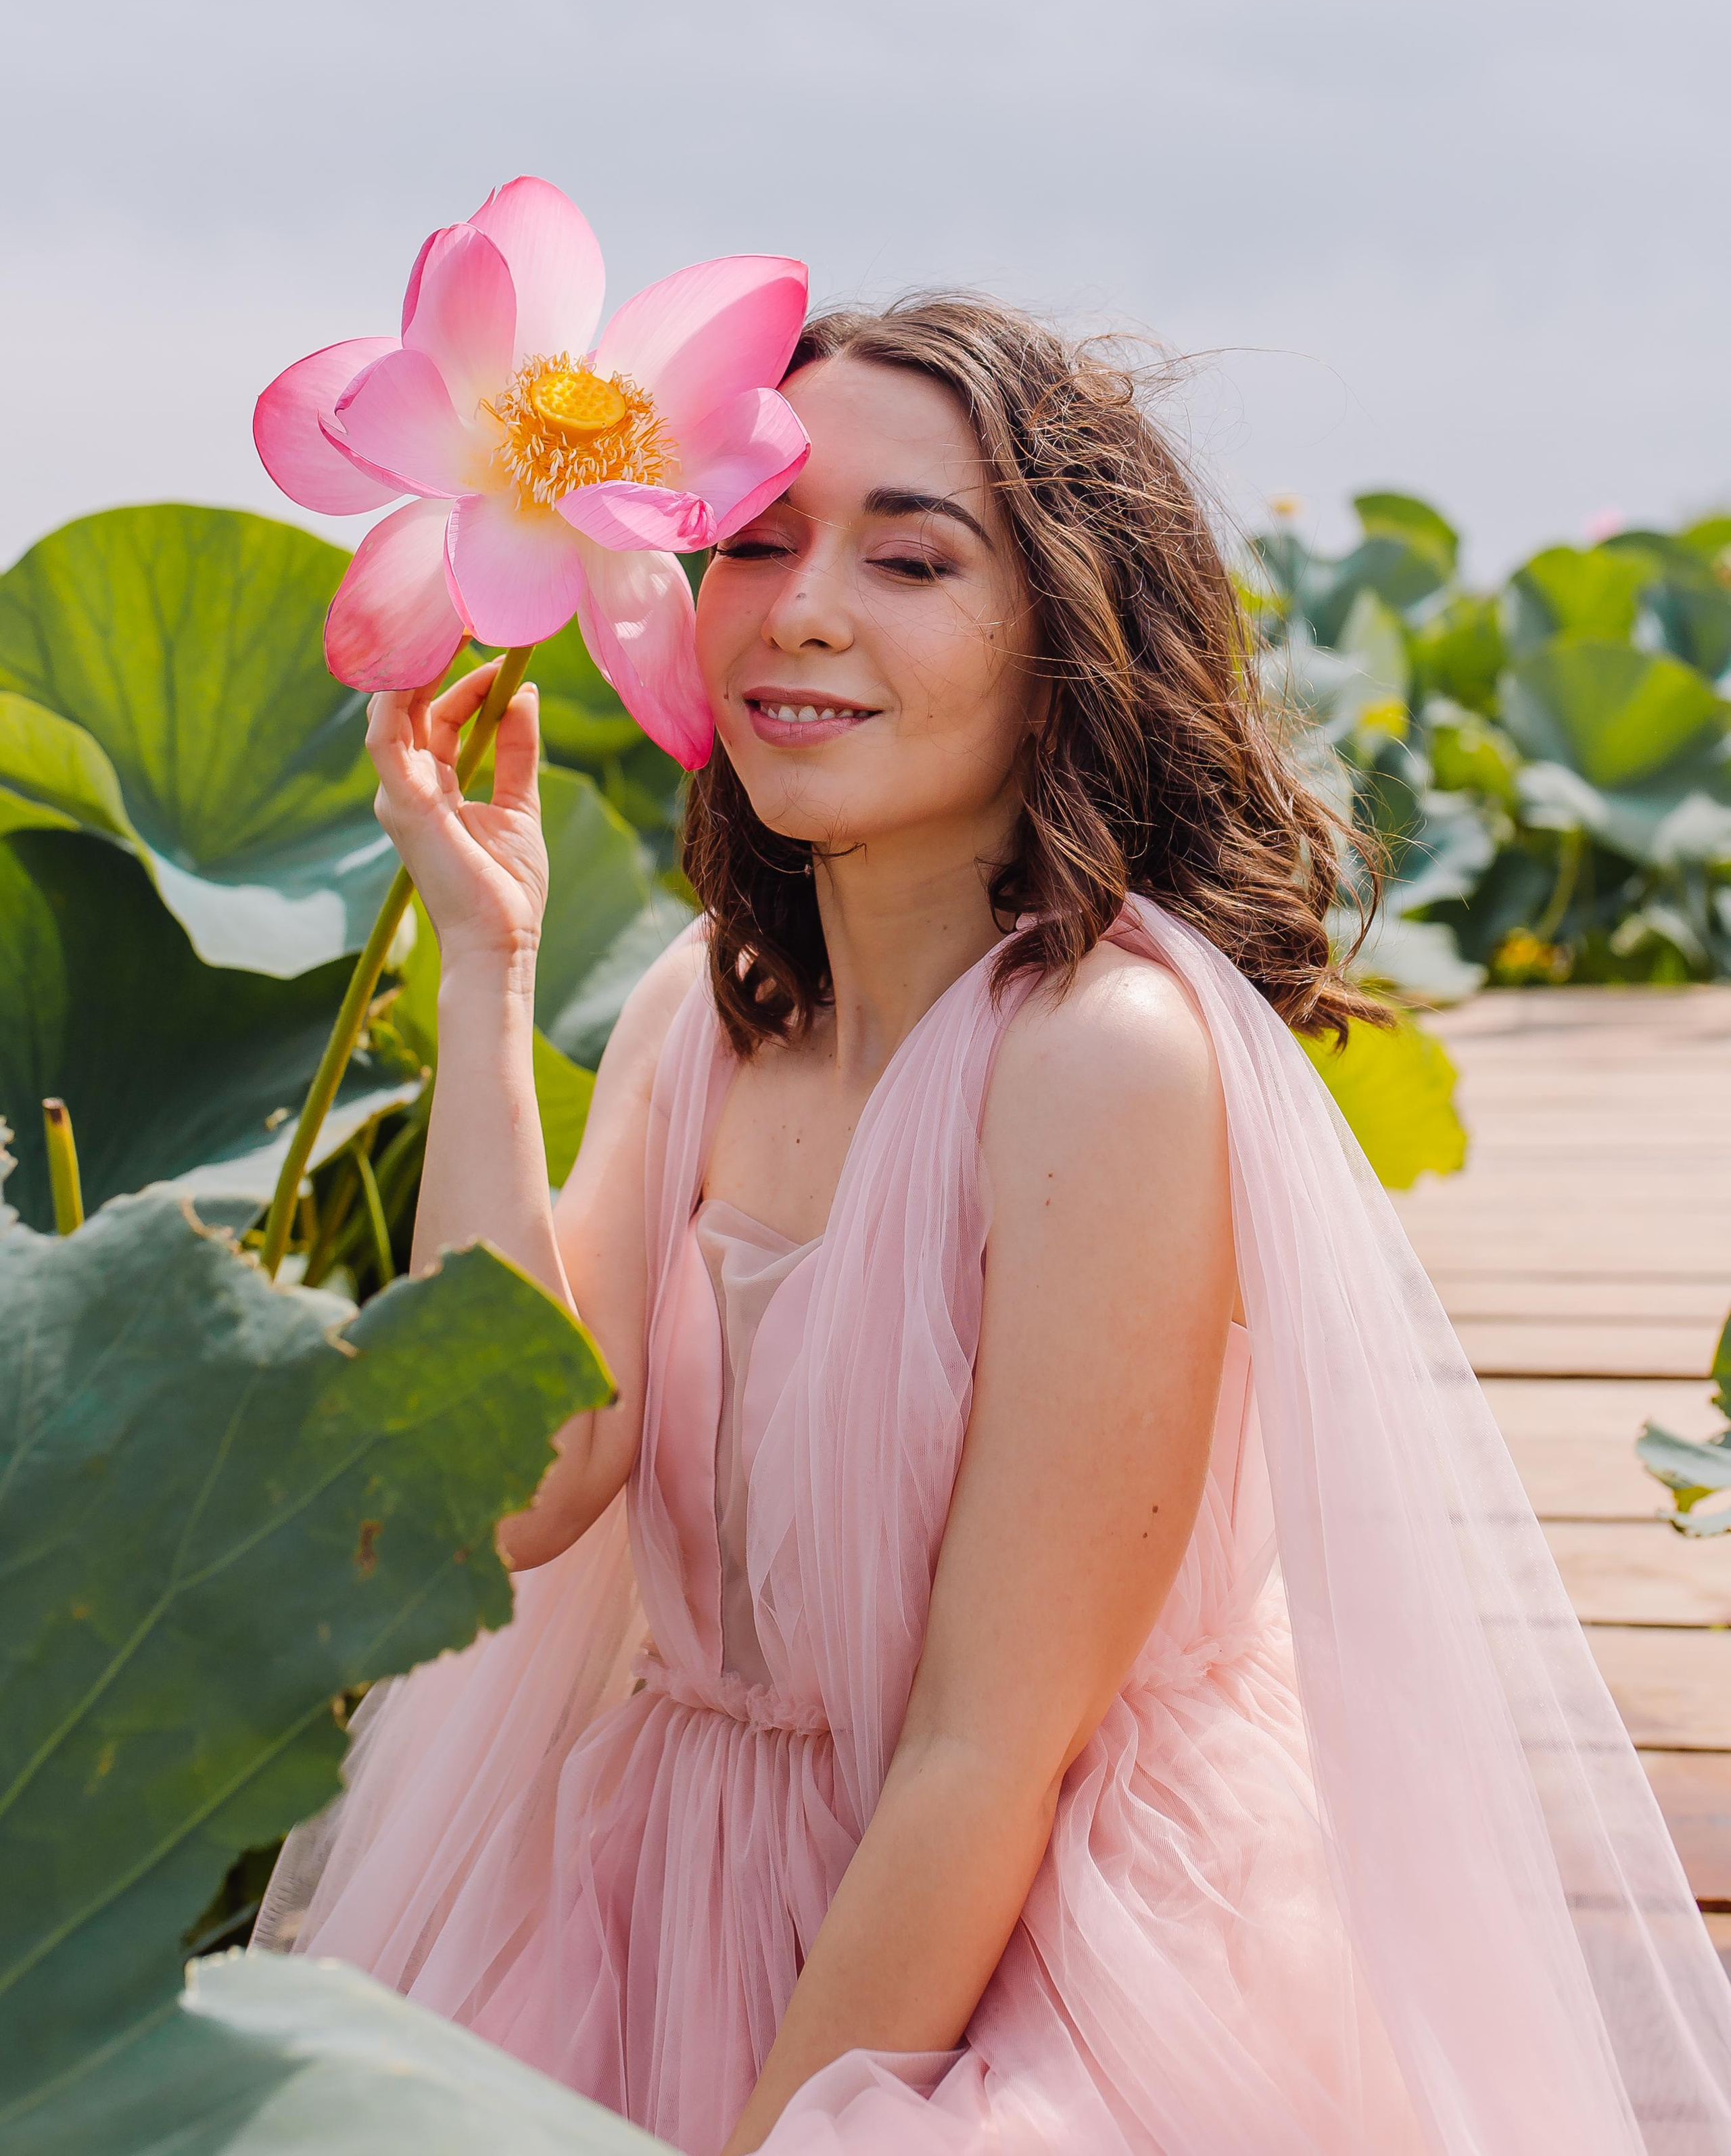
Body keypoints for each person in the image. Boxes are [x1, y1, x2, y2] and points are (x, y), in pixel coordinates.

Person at [258, 300, 1731, 2155]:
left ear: (1062, 637)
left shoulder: (1105, 1065)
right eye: (759, 543)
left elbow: (984, 1751)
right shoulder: (699, 1019)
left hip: (1025, 1924)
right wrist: (486, 969)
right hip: (672, 1890)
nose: (800, 609)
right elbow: (518, 1488)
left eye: (910, 556)